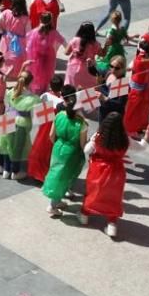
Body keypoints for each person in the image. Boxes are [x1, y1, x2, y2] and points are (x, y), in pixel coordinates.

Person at [79, 113, 149, 238]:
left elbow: (87, 150)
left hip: (98, 170)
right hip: (117, 172)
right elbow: (140, 147)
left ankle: (84, 215)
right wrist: (147, 136)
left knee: (93, 193)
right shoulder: (124, 139)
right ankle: (112, 224)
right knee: (113, 197)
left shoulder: (98, 137)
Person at [42, 85, 88, 217]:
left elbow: (51, 136)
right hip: (72, 152)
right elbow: (82, 144)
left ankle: (58, 201)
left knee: (56, 174)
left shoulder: (59, 115)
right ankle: (52, 206)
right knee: (63, 178)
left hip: (58, 147)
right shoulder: (82, 123)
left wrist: (58, 145)